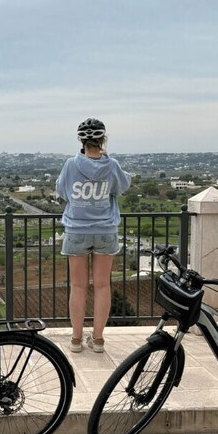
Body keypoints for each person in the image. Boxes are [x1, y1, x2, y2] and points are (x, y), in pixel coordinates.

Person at [56, 118, 131, 353]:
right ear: (103, 140)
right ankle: (98, 340)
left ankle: (76, 340)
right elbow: (123, 186)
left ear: (81, 141)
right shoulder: (112, 165)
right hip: (106, 230)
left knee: (78, 286)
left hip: (77, 229)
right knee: (102, 286)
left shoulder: (70, 165)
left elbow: (61, 190)